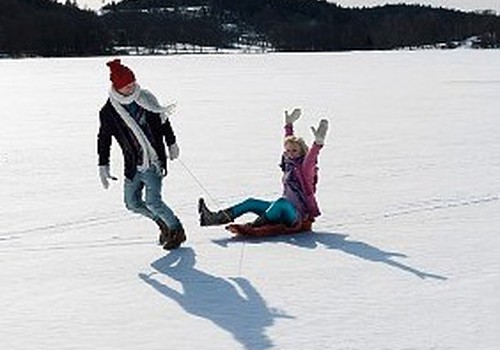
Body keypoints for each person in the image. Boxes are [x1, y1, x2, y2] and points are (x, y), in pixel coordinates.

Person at [97, 59, 185, 250]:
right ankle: (162, 223)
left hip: (153, 163)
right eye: (127, 86)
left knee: (153, 201)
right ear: (117, 87)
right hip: (133, 164)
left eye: (133, 83)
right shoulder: (109, 112)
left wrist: (171, 143)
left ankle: (176, 230)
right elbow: (104, 139)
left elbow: (164, 121)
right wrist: (103, 165)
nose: (132, 88)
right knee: (132, 203)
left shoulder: (146, 99)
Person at [198, 108, 328, 229]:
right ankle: (213, 218)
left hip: (297, 216)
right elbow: (288, 141)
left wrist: (318, 143)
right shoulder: (289, 163)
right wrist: (288, 125)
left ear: (301, 151)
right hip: (282, 209)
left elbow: (311, 158)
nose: (290, 153)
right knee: (251, 202)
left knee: (281, 202)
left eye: (294, 151)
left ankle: (256, 225)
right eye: (288, 151)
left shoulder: (305, 168)